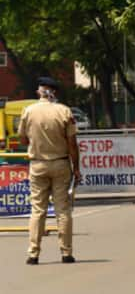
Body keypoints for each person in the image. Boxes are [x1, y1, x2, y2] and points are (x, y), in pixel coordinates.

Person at [18, 77, 81, 265]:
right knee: (63, 210)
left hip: (37, 164)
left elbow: (22, 140)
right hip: (61, 164)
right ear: (54, 92)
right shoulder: (64, 111)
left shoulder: (28, 111)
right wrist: (76, 167)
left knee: (38, 210)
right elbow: (72, 143)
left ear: (40, 92)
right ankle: (66, 252)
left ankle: (33, 253)